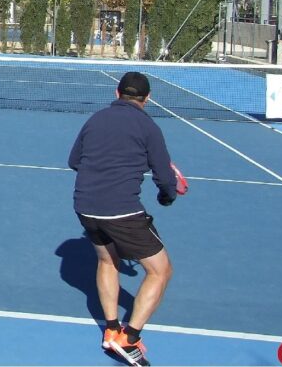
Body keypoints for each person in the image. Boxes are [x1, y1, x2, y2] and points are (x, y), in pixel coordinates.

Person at [67, 72, 177, 367]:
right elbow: (165, 178)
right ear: (147, 99)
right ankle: (128, 338)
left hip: (85, 206)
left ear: (117, 94)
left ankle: (111, 329)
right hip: (122, 211)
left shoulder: (96, 119)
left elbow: (74, 161)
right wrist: (167, 197)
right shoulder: (149, 127)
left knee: (107, 261)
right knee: (160, 271)